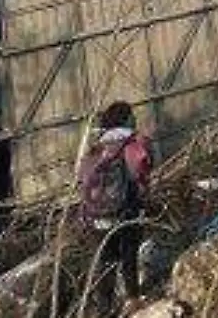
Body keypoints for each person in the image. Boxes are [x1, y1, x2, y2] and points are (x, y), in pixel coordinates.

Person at [75, 101, 153, 313]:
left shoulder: (95, 145)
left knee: (104, 260)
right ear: (127, 118)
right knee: (129, 254)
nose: (135, 118)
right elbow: (140, 172)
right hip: (125, 209)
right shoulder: (134, 141)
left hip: (95, 215)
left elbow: (81, 179)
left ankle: (104, 307)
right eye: (132, 115)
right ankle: (133, 298)